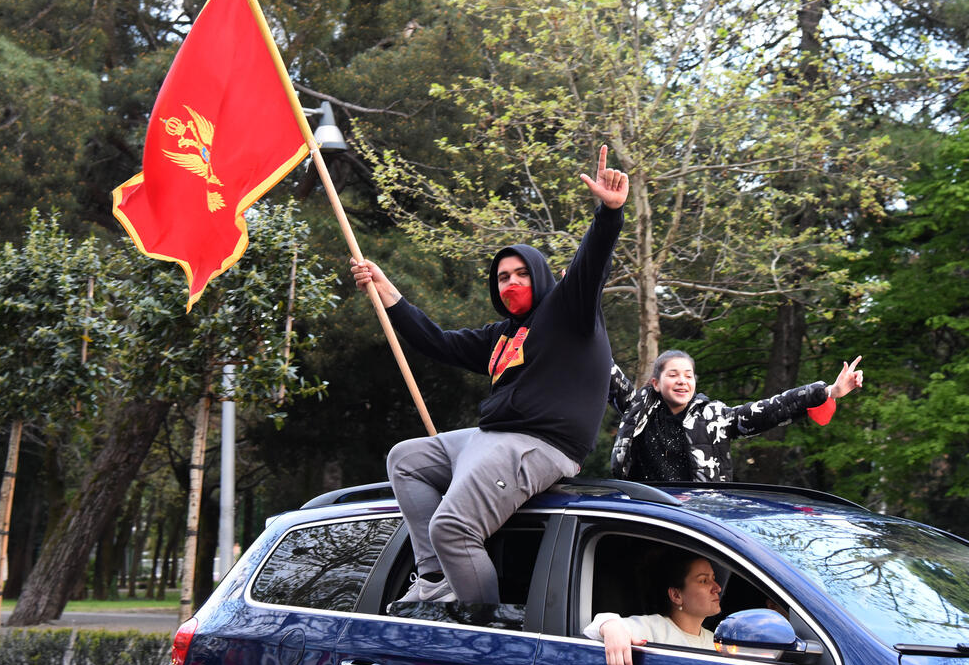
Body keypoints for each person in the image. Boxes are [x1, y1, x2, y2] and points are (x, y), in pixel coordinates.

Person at [351, 145, 629, 605]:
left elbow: (590, 264)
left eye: (521, 273)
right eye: (502, 277)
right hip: (492, 437)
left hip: (539, 445)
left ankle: (482, 633)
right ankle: (437, 577)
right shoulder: (502, 334)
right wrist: (387, 291)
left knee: (453, 527)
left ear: (542, 276)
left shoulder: (569, 312)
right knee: (406, 459)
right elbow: (437, 342)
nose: (511, 283)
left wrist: (609, 212)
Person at [609, 350, 864, 482]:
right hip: (645, 517)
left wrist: (828, 391)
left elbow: (771, 409)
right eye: (673, 375)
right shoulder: (638, 409)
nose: (682, 381)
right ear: (655, 383)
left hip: (693, 524)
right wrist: (579, 303)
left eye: (688, 375)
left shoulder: (715, 418)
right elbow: (601, 367)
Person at [584, 550, 722, 665]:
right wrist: (612, 628)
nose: (717, 588)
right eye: (704, 580)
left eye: (713, 579)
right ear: (676, 595)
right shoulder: (653, 628)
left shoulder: (714, 641)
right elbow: (599, 625)